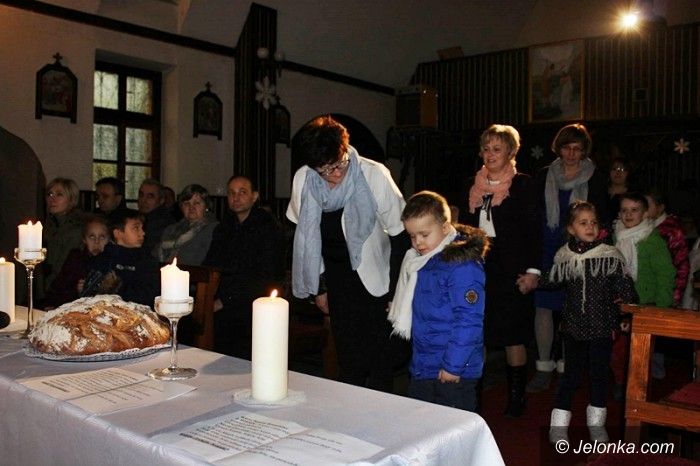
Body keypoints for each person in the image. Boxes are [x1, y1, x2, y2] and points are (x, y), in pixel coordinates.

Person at [286, 116, 409, 392]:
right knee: (349, 362)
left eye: (339, 164)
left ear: (346, 148)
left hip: (377, 282)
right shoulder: (304, 179)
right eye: (325, 170)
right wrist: (319, 288)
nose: (335, 174)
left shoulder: (373, 174)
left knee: (380, 365)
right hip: (337, 283)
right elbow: (305, 238)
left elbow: (400, 234)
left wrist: (395, 292)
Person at [538, 202, 637, 445]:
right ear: (571, 229)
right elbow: (552, 279)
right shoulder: (565, 256)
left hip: (602, 327)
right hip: (573, 327)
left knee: (599, 375)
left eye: (593, 222)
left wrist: (628, 310)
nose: (590, 226)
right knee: (569, 376)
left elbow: (625, 287)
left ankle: (596, 425)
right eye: (583, 223)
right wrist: (534, 279)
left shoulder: (609, 255)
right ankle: (558, 426)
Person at [459, 124, 540, 417]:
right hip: (478, 270)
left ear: (511, 152)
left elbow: (534, 231)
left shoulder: (523, 185)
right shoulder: (472, 184)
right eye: (486, 148)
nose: (490, 154)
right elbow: (463, 230)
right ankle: (474, 398)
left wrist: (533, 272)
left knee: (512, 335)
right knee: (476, 333)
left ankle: (516, 398)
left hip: (512, 270)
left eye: (497, 149)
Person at [389, 191, 488, 412]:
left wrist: (453, 366)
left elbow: (469, 320)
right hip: (424, 364)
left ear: (445, 227)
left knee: (455, 427)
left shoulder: (462, 265)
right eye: (412, 236)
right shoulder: (422, 260)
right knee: (422, 425)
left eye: (424, 234)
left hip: (454, 370)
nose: (418, 242)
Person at [528, 123, 609, 393]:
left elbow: (600, 218)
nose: (572, 154)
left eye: (577, 149)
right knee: (543, 307)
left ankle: (568, 367)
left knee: (571, 308)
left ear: (584, 151)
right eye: (567, 148)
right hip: (546, 248)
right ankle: (543, 366)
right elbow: (535, 213)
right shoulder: (545, 175)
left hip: (578, 250)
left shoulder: (595, 177)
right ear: (559, 148)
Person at [203, 175, 286, 359]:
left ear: (254, 196)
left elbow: (266, 273)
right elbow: (211, 264)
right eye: (231, 193)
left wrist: (225, 300)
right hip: (225, 296)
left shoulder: (268, 227)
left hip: (255, 299)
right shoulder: (224, 227)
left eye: (242, 192)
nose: (236, 197)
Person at [610, 192, 675, 394]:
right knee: (618, 349)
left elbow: (666, 274)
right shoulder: (616, 237)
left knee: (640, 352)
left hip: (645, 304)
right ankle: (620, 382)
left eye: (634, 210)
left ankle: (637, 388)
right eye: (624, 210)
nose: (629, 214)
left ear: (645, 214)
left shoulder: (652, 240)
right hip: (620, 303)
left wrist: (662, 307)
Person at [81, 209, 159, 306]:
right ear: (118, 233)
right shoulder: (103, 260)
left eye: (142, 228)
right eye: (136, 228)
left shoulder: (147, 261)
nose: (142, 233)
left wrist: (118, 289)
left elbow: (151, 295)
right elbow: (89, 297)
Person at [43, 215, 110, 309]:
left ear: (108, 240)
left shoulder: (112, 262)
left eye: (102, 237)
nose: (96, 242)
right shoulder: (76, 258)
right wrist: (77, 291)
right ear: (84, 240)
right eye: (92, 237)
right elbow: (60, 286)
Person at [644, 188, 689, 307]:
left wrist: (676, 293)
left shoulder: (672, 230)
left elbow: (682, 263)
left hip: (667, 289)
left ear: (660, 207)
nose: (643, 209)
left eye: (647, 205)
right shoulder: (644, 228)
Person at [155, 184, 218, 265]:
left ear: (206, 206)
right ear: (181, 207)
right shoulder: (170, 230)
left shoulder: (214, 230)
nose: (191, 207)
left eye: (196, 203)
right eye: (187, 204)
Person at [42, 177, 85, 296]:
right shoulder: (48, 224)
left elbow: (63, 269)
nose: (52, 199)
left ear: (71, 199)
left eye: (59, 194)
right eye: (50, 194)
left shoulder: (75, 229)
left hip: (63, 291)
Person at [137, 178, 176, 255]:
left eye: (150, 196)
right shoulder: (140, 218)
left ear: (161, 200)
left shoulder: (162, 223)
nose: (143, 200)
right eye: (141, 195)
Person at [607, 157, 634, 222]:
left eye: (622, 169)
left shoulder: (632, 195)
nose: (618, 172)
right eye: (614, 169)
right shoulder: (600, 192)